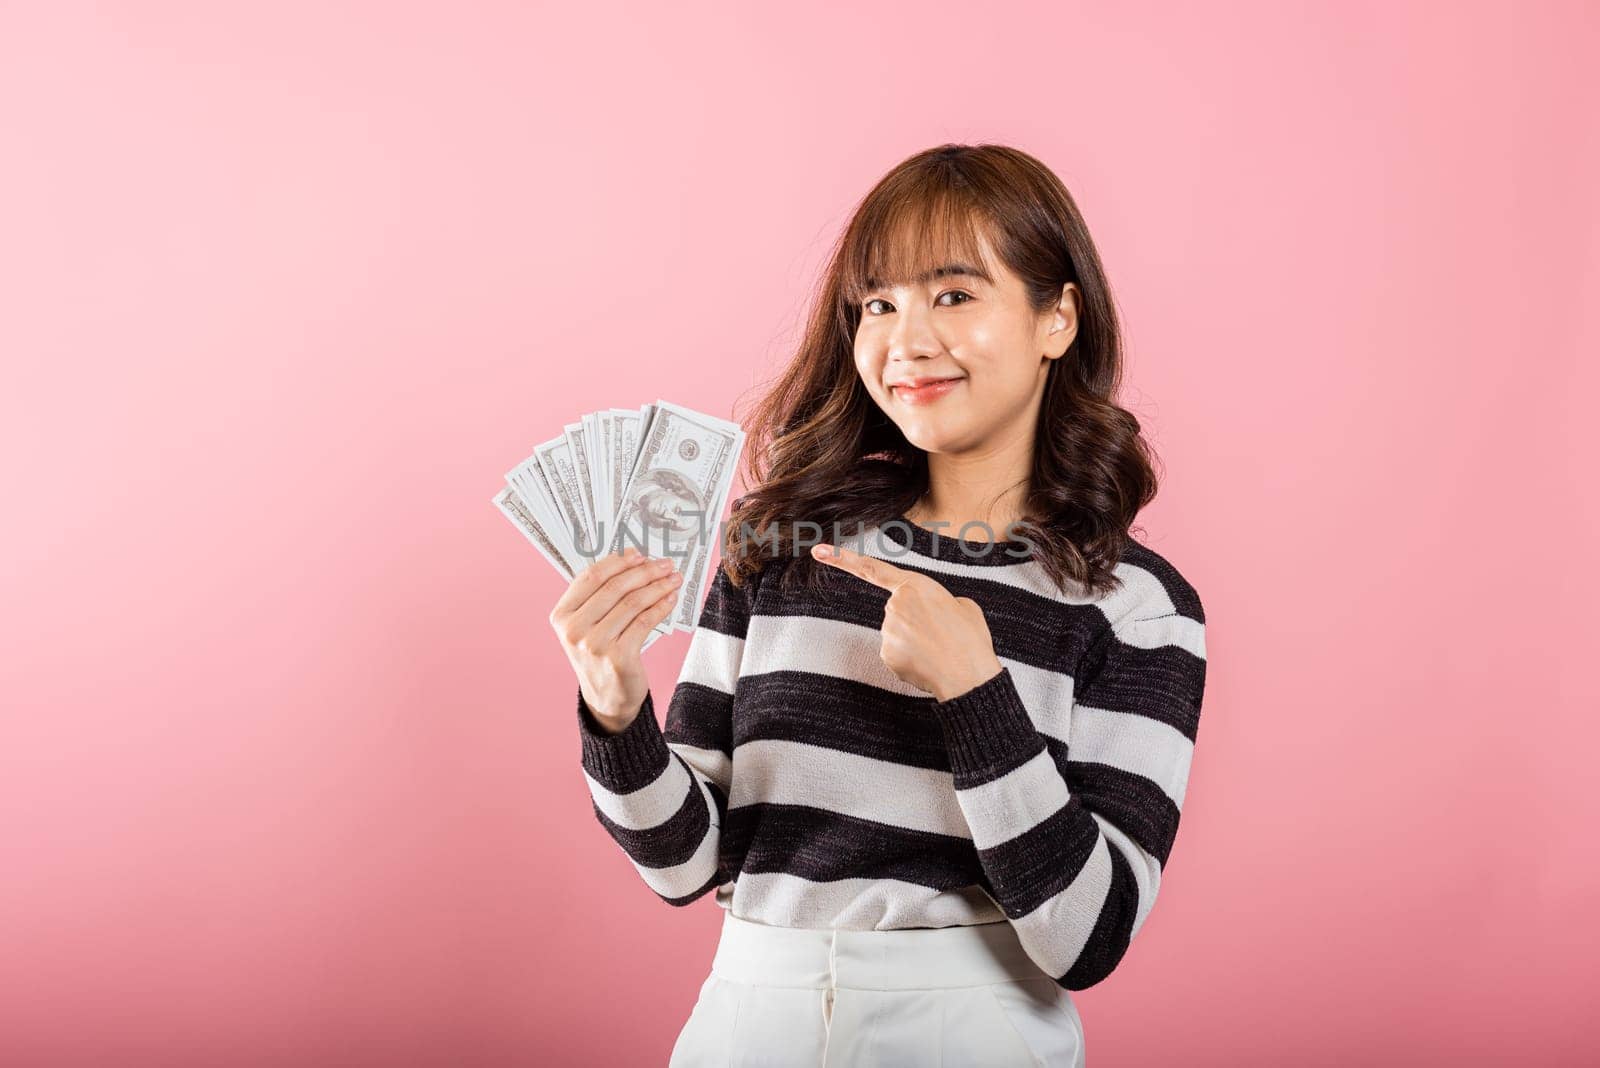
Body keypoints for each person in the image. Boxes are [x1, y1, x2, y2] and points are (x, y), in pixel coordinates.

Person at [549, 142, 1209, 1067]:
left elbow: (1089, 936)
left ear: (1057, 315)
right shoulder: (780, 545)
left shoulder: (1135, 606)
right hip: (749, 1019)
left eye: (953, 295)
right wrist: (616, 713)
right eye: (878, 305)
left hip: (970, 1029)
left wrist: (976, 693)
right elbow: (683, 864)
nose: (907, 341)